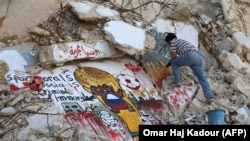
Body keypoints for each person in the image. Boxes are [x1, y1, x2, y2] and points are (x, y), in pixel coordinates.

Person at [164, 33, 214, 104]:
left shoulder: (173, 42)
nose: (169, 45)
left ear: (169, 41)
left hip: (191, 56)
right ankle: (209, 97)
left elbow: (174, 56)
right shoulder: (182, 41)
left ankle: (177, 82)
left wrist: (171, 62)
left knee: (175, 63)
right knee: (202, 78)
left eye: (168, 43)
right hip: (200, 58)